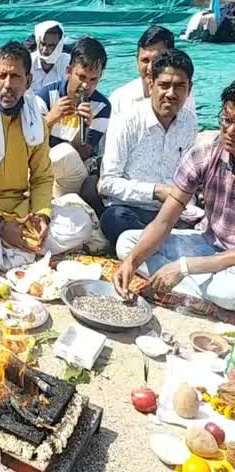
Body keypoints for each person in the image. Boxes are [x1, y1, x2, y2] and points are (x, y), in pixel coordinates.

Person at [0, 42, 92, 272]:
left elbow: (42, 177)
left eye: (15, 76)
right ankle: (22, 253)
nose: (7, 85)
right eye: (2, 76)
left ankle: (9, 255)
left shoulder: (35, 123)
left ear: (28, 81)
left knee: (81, 223)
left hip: (22, 211)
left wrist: (42, 217)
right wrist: (0, 223)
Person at [114, 81, 235, 310]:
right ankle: (198, 289)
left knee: (229, 294)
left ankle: (184, 282)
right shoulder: (205, 154)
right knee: (127, 244)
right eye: (227, 121)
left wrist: (184, 267)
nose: (229, 131)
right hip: (207, 243)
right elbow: (165, 220)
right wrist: (132, 261)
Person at [98, 50, 197, 247]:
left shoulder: (189, 122)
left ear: (189, 89)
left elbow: (191, 177)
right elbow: (106, 183)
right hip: (132, 209)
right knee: (114, 218)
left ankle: (157, 245)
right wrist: (155, 191)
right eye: (164, 85)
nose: (171, 94)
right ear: (151, 84)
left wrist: (188, 204)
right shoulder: (127, 121)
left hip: (174, 210)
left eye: (179, 86)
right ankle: (164, 244)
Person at [36, 36, 111, 198]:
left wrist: (83, 127)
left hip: (74, 173)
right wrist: (50, 119)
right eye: (82, 77)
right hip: (41, 169)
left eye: (93, 80)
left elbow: (82, 154)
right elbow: (31, 142)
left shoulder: (101, 107)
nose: (86, 86)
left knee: (65, 152)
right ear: (69, 71)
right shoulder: (47, 95)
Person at [109, 25, 196, 119]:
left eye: (157, 60)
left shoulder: (182, 95)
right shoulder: (120, 99)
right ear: (137, 61)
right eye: (145, 60)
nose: (150, 67)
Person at [30, 20, 69, 92]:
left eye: (51, 45)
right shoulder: (28, 62)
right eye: (43, 44)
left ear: (59, 45)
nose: (45, 50)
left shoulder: (67, 62)